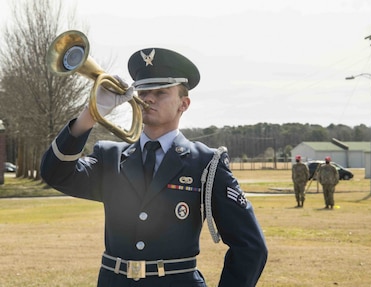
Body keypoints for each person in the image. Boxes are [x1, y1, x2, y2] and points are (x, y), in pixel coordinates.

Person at [41, 47, 267, 286]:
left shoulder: (206, 163)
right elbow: (56, 174)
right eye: (144, 91)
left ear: (184, 104)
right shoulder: (110, 157)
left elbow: (251, 247)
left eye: (160, 93)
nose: (148, 98)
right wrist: (91, 114)